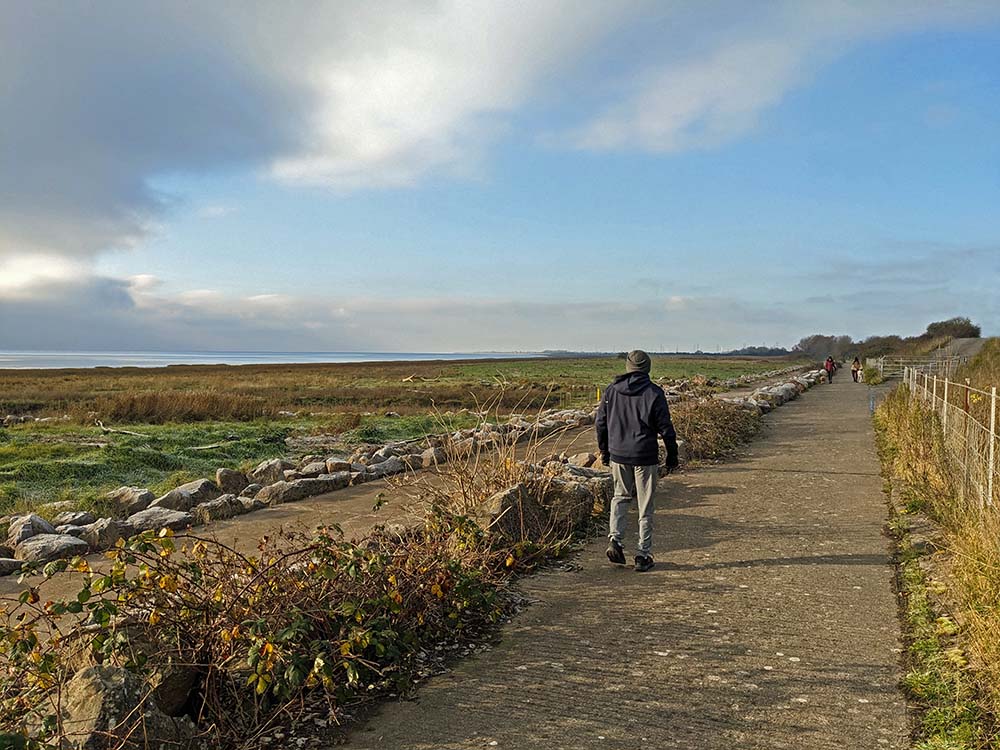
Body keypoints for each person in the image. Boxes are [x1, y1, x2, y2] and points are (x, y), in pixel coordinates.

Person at [595, 350, 679, 572]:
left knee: (620, 497)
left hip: (618, 454)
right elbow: (666, 429)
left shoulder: (611, 391)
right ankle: (643, 554)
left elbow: (600, 423)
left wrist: (604, 451)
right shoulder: (654, 393)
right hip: (645, 455)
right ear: (647, 368)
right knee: (645, 504)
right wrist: (672, 456)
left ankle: (615, 540)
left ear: (628, 366)